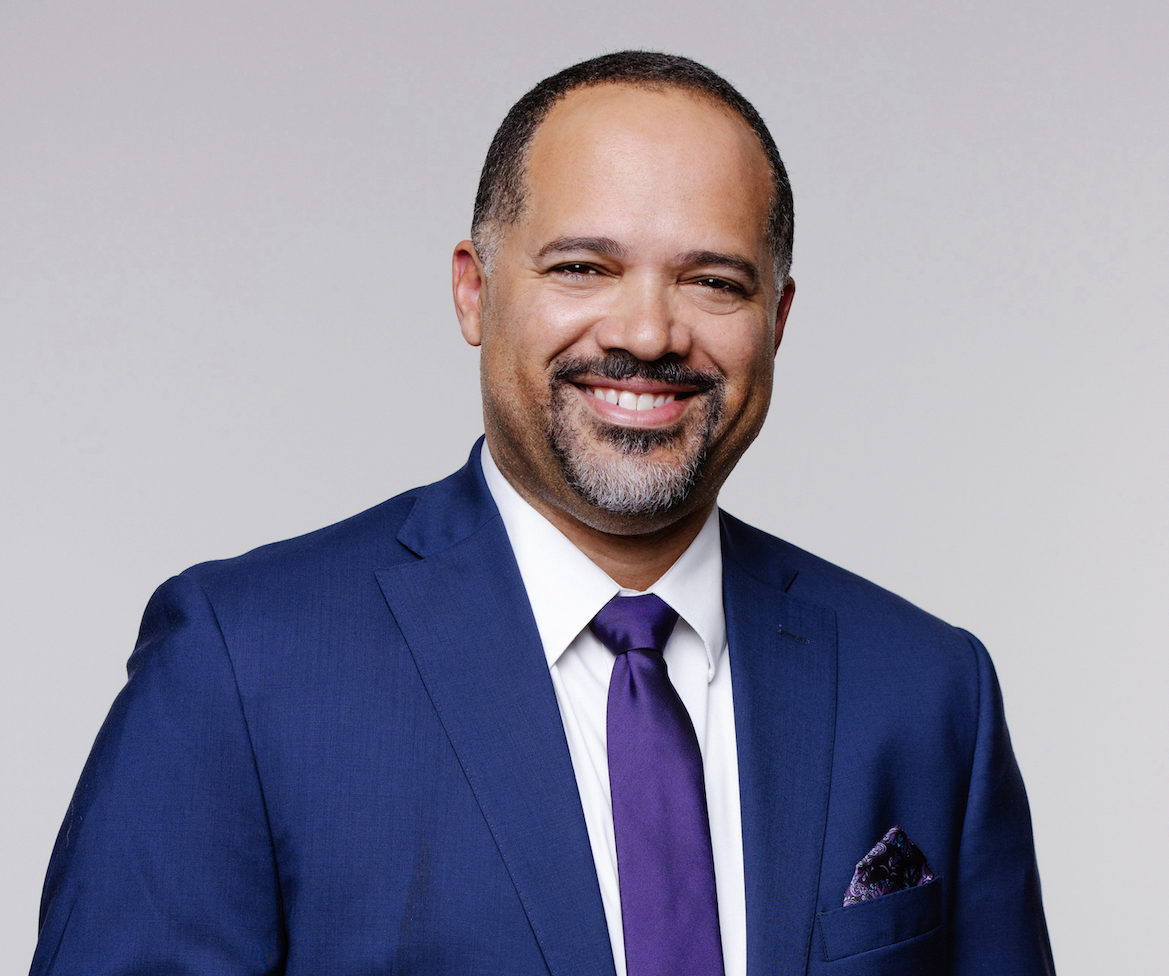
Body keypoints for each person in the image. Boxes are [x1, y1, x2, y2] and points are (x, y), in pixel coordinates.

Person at [31, 51, 1055, 976]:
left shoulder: (926, 690)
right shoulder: (239, 665)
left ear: (776, 319)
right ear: (473, 294)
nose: (647, 333)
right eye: (582, 268)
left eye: (711, 281)